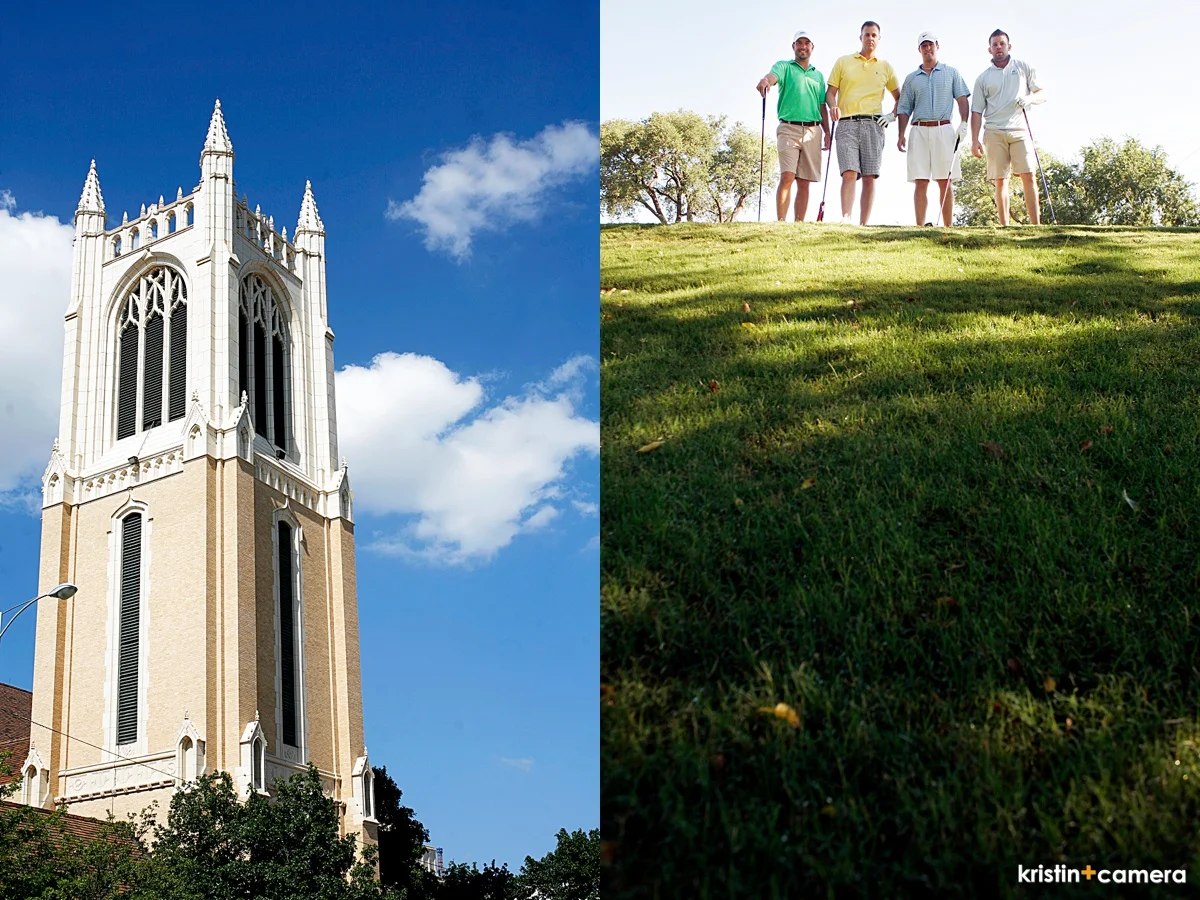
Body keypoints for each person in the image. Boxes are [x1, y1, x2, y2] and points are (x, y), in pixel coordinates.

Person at [824, 21, 900, 225]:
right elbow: (830, 93)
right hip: (846, 123)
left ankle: (864, 225)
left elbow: (900, 98)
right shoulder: (843, 62)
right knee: (849, 172)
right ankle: (846, 218)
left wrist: (891, 116)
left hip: (874, 125)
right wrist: (832, 106)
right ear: (861, 37)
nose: (870, 38)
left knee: (869, 176)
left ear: (879, 39)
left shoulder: (886, 67)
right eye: (867, 35)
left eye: (874, 35)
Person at [969, 29, 1047, 225]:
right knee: (1000, 180)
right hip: (994, 131)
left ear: (1009, 46)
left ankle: (1035, 225)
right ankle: (1004, 226)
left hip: (1020, 129)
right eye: (995, 45)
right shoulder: (983, 78)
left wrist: (1029, 98)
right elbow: (976, 111)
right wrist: (974, 139)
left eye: (1002, 44)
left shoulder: (1023, 68)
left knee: (1028, 175)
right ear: (989, 50)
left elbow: (1042, 93)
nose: (999, 48)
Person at [756, 30, 832, 222]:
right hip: (788, 128)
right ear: (793, 47)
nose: (803, 46)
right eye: (799, 43)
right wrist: (766, 82)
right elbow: (772, 77)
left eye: (807, 43)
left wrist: (827, 132)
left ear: (812, 48)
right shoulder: (784, 67)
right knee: (788, 176)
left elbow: (821, 106)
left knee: (805, 182)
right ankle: (781, 222)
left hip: (813, 131)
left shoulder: (818, 76)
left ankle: (799, 224)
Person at [896, 32, 971, 226]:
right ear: (919, 50)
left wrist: (964, 123)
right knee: (920, 181)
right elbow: (904, 108)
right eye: (923, 46)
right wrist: (901, 134)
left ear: (937, 46)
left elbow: (962, 98)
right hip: (919, 130)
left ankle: (948, 227)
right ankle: (920, 226)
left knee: (944, 181)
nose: (927, 48)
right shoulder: (912, 78)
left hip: (944, 128)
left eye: (930, 44)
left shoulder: (951, 72)